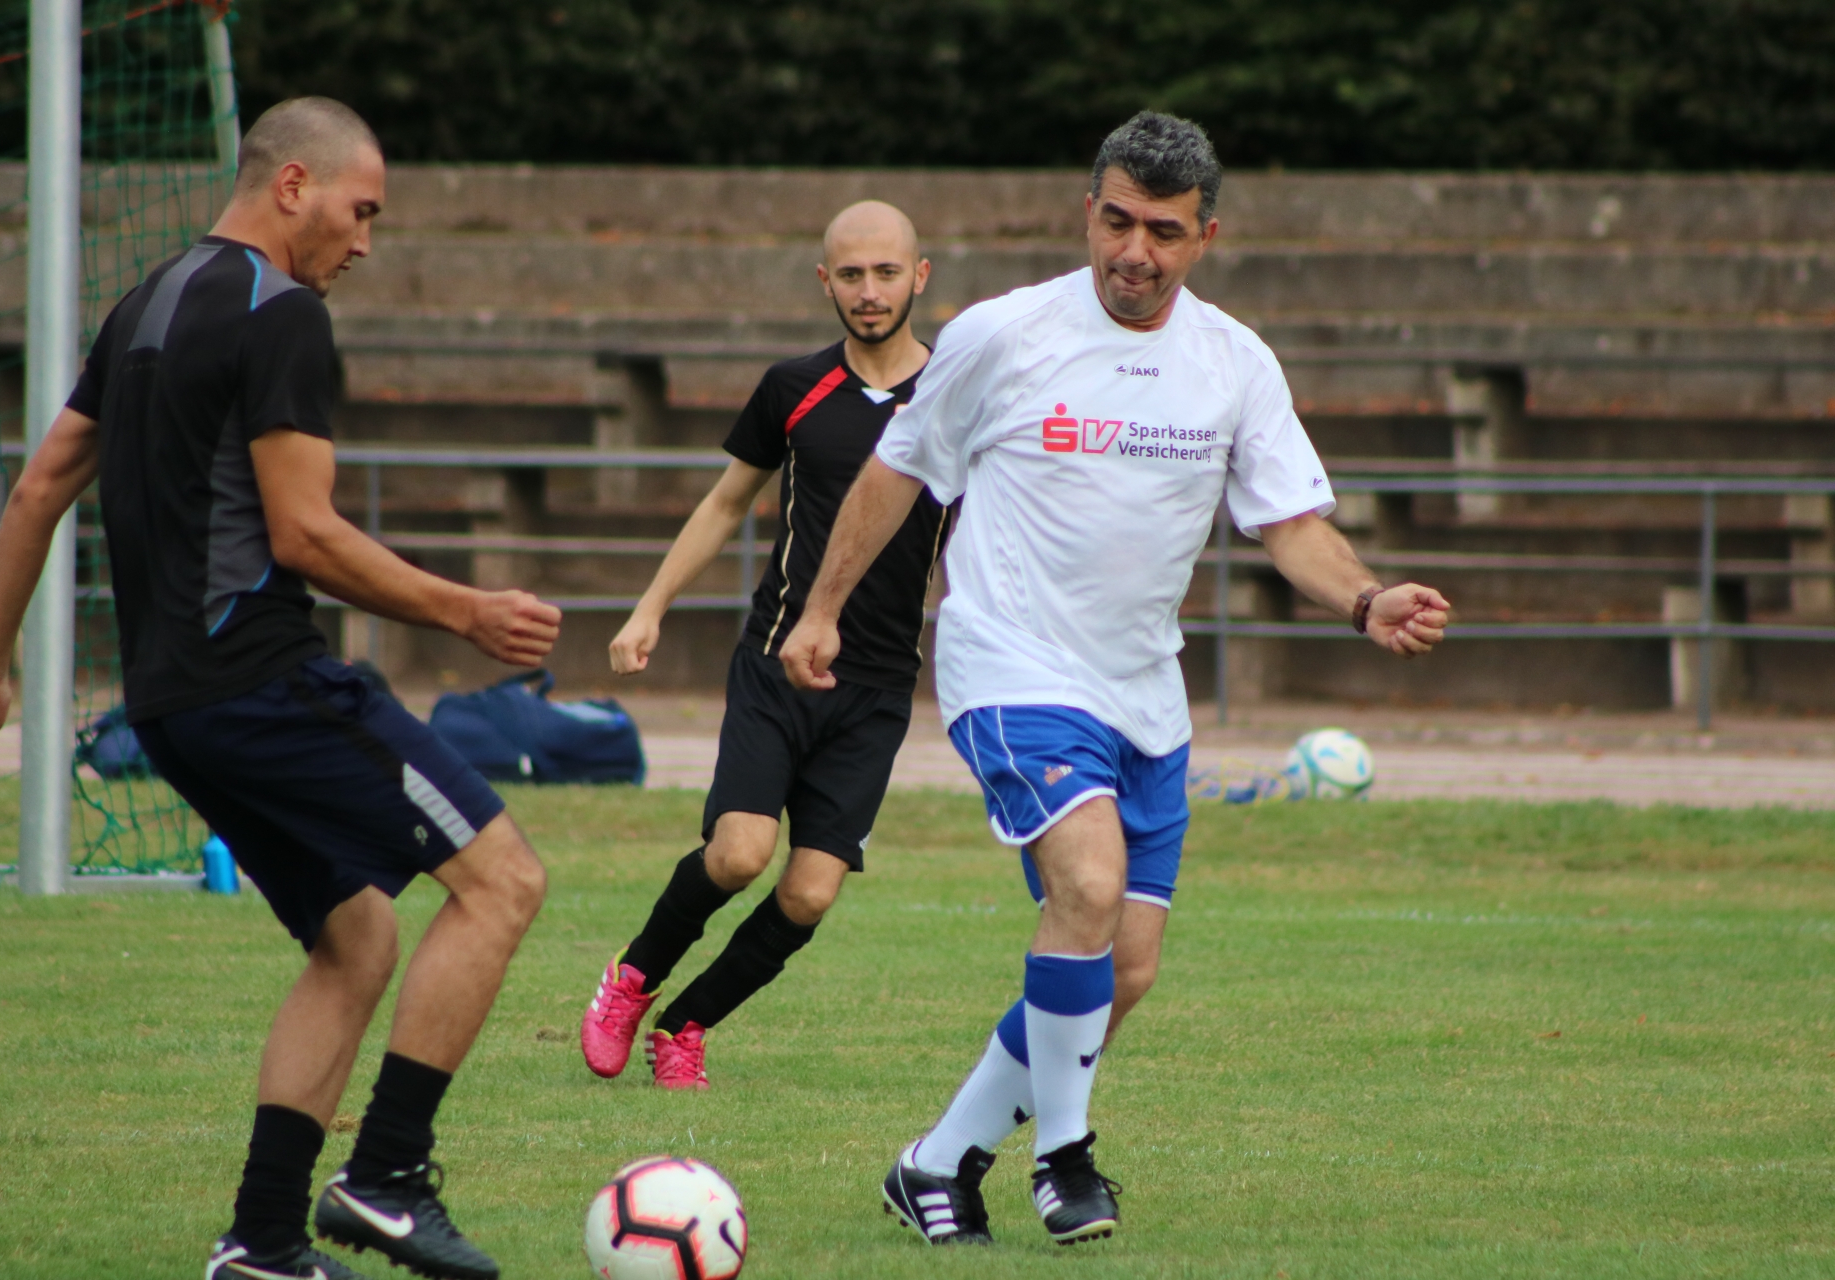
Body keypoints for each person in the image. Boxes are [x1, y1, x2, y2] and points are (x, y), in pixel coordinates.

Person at [779, 111, 1451, 1247]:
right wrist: (823, 608)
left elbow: (1291, 522)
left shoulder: (1234, 361)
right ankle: (1066, 1161)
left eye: (1165, 232)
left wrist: (1364, 598)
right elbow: (898, 471)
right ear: (1089, 211)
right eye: (1120, 222)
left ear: (1205, 237)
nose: (1136, 251)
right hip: (1011, 665)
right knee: (1086, 886)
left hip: (1144, 689)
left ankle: (936, 1161)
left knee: (1122, 968)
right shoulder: (1003, 335)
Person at [0, 98, 561, 1280]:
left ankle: (263, 1240)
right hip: (263, 679)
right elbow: (304, 534)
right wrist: (464, 611)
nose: (364, 241)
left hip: (170, 710)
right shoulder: (283, 313)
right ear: (294, 184)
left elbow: (39, 486)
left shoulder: (145, 300)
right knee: (504, 879)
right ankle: (387, 1176)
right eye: (361, 211)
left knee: (357, 936)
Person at [580, 201, 951, 1090]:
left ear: (920, 276)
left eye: (886, 273)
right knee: (740, 854)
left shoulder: (956, 398)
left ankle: (686, 1026)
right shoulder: (793, 387)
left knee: (810, 893)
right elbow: (723, 504)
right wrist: (649, 609)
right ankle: (633, 977)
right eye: (851, 275)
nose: (870, 292)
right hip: (777, 665)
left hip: (878, 688)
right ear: (826, 282)